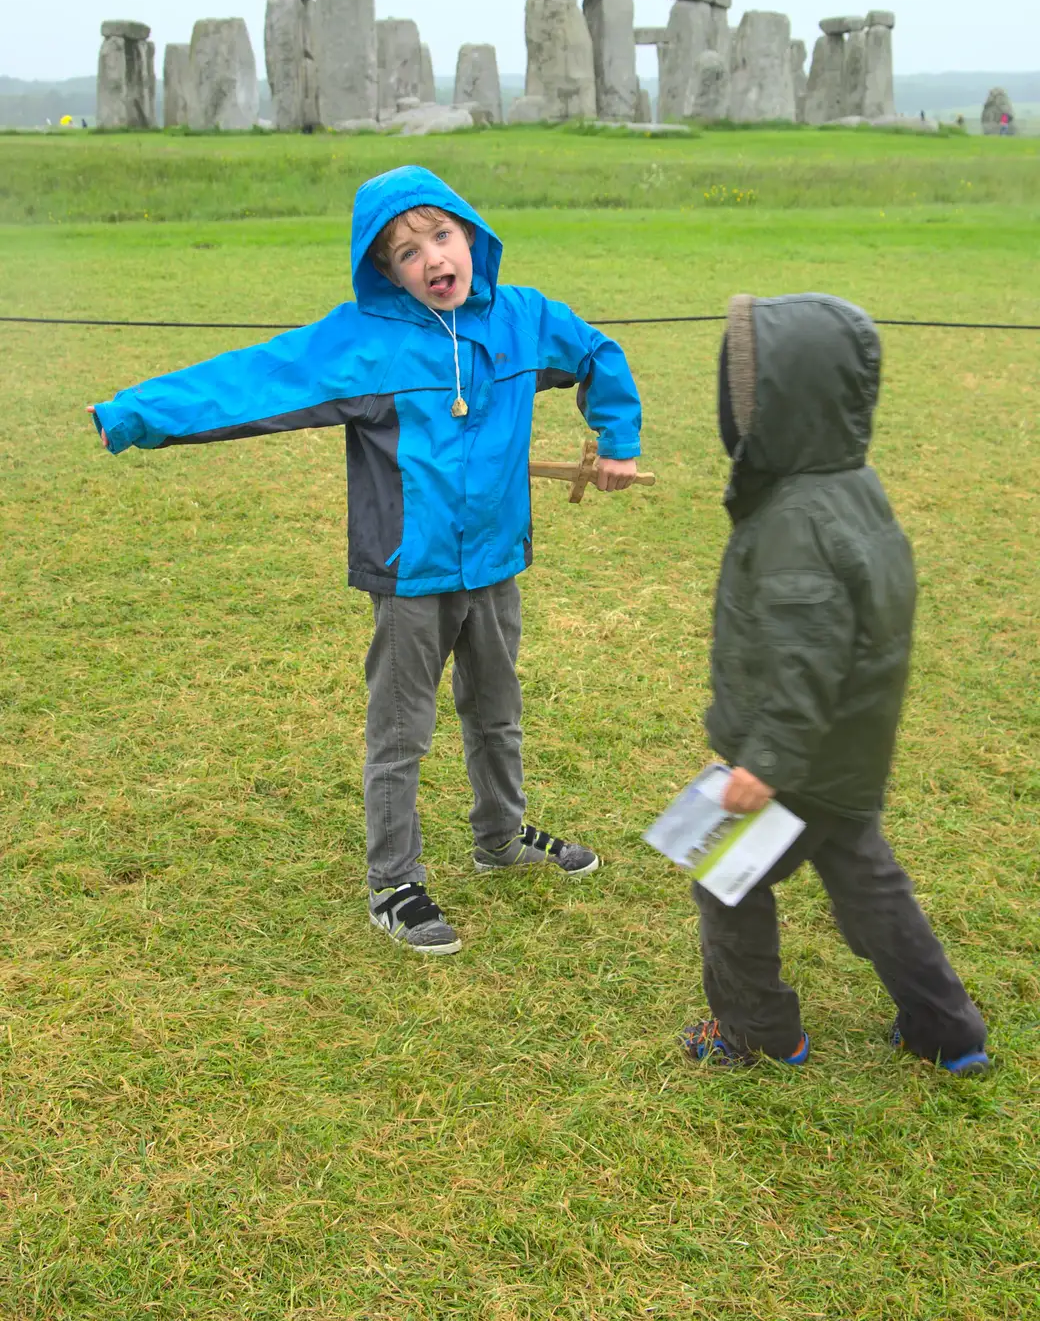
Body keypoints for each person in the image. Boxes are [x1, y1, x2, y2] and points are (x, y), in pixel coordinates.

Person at [88, 166, 643, 955]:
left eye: (441, 236)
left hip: (494, 564)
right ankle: (395, 883)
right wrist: (133, 415)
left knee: (496, 712)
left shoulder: (523, 319)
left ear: (470, 234)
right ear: (385, 273)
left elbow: (595, 353)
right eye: (406, 252)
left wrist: (618, 441)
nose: (432, 259)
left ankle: (500, 839)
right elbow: (250, 382)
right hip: (410, 575)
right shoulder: (363, 342)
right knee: (401, 731)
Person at [681, 293, 988, 1074]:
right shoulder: (849, 483)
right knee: (866, 885)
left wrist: (766, 763)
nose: (737, 409)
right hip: (849, 741)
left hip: (800, 755)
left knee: (724, 875)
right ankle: (947, 1029)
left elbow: (806, 652)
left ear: (786, 406)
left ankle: (756, 1031)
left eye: (749, 394)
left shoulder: (797, 518)